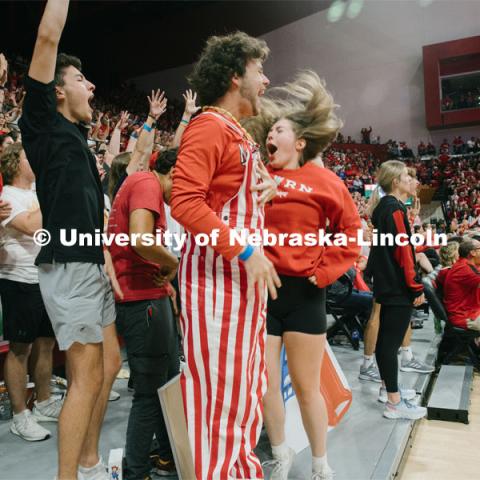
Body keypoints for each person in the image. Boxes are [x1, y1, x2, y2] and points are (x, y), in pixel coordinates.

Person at [170, 31, 280, 479]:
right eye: (259, 71)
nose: (267, 81)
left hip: (238, 287)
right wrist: (246, 249)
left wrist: (269, 190)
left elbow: (230, 201)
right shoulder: (208, 125)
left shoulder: (236, 132)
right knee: (218, 400)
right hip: (215, 286)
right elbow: (185, 202)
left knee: (245, 394)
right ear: (235, 76)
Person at [18, 1, 121, 478]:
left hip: (89, 266)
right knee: (83, 379)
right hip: (69, 269)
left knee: (103, 370)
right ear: (57, 90)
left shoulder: (79, 139)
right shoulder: (42, 125)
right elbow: (47, 37)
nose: (92, 85)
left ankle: (89, 461)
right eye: (82, 79)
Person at [246, 71, 361, 479]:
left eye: (279, 129)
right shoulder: (256, 175)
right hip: (263, 291)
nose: (270, 136)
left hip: (307, 294)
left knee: (307, 387)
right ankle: (280, 454)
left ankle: (320, 464)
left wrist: (325, 271)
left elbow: (352, 234)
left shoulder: (327, 182)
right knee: (264, 385)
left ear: (299, 142)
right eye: (269, 130)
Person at [108, 148, 179, 480]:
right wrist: (172, 262)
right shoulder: (146, 183)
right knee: (151, 393)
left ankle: (165, 455)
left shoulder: (143, 185)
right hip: (141, 299)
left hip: (150, 296)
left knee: (166, 385)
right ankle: (135, 472)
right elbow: (139, 238)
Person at [0, 143, 62, 441]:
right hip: (19, 278)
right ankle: (19, 414)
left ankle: (44, 400)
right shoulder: (8, 197)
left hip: (46, 276)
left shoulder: (36, 193)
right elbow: (30, 226)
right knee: (20, 348)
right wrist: (51, 194)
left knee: (46, 343)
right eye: (29, 156)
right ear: (14, 163)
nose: (36, 160)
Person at [366, 160, 427, 420]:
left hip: (387, 283)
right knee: (389, 344)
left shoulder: (387, 207)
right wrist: (415, 287)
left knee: (386, 343)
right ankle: (393, 401)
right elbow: (403, 252)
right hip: (397, 287)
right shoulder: (393, 210)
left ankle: (387, 388)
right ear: (396, 182)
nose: (414, 181)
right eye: (408, 177)